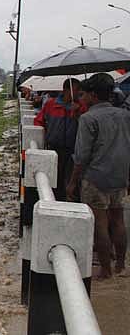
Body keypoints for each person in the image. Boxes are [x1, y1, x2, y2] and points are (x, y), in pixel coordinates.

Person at [69, 73, 130, 279]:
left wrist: (72, 182)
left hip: (96, 178)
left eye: (84, 95)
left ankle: (105, 270)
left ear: (93, 95)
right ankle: (121, 265)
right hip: (120, 177)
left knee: (100, 224)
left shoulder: (88, 118)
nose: (81, 98)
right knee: (118, 220)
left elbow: (82, 156)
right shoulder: (124, 115)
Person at [34, 78, 84, 200]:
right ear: (67, 90)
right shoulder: (51, 104)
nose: (78, 93)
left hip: (74, 150)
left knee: (73, 180)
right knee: (56, 179)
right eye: (76, 90)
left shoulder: (82, 106)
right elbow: (39, 121)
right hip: (55, 148)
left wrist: (77, 113)